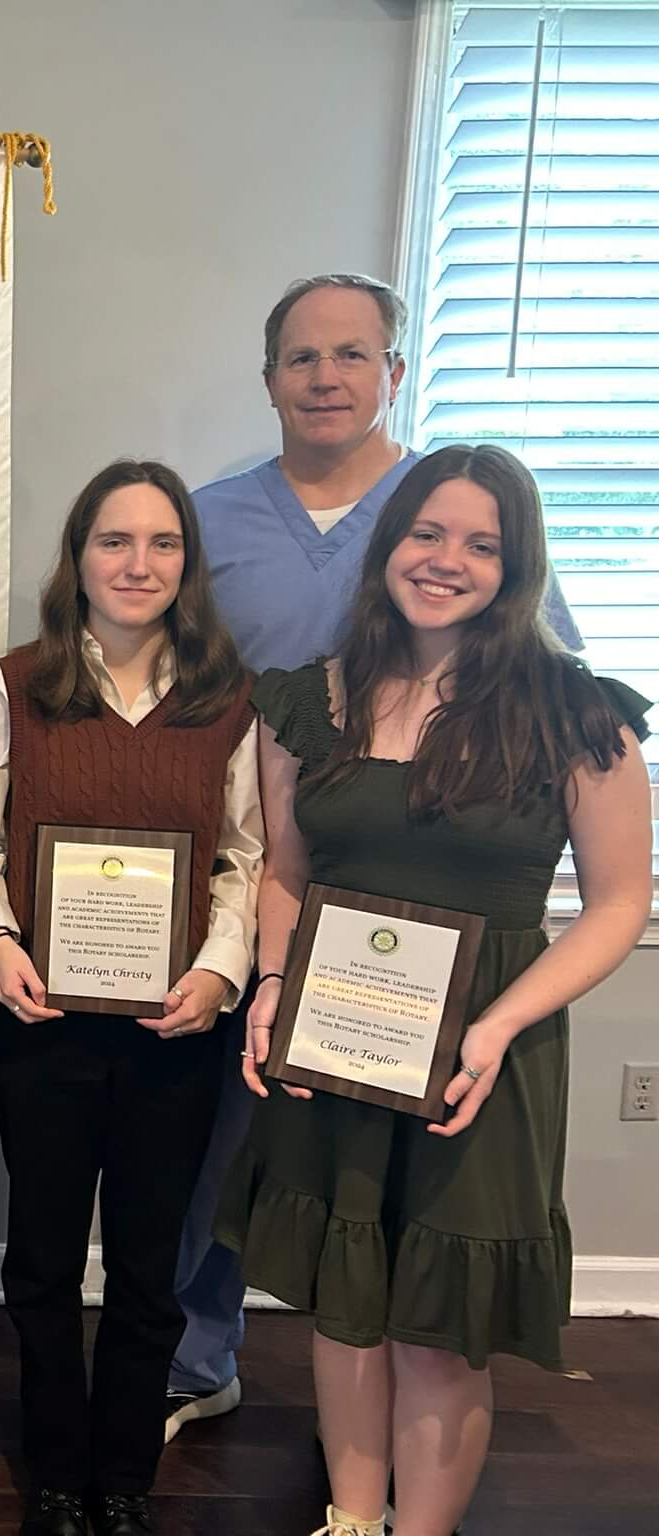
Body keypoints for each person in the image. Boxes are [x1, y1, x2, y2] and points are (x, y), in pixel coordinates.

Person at [170, 273, 583, 1440]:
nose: (325, 377)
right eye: (301, 357)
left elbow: (551, 691)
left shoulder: (451, 505)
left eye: (351, 355)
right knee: (231, 1141)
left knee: (403, 1185)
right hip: (269, 879)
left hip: (433, 904)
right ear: (267, 380)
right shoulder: (210, 520)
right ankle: (203, 1359)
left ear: (391, 373)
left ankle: (400, 1417)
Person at [214, 445, 650, 1536]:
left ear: (516, 565)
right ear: (387, 543)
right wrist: (271, 985)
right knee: (344, 1302)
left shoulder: (574, 713)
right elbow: (282, 872)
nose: (445, 560)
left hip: (481, 1054)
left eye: (480, 543)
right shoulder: (305, 702)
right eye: (425, 532)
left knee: (435, 1323)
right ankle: (350, 1520)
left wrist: (498, 1025)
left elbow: (614, 903)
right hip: (337, 1034)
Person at [0, 460, 259, 1536]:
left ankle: (124, 1476)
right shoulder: (17, 683)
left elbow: (244, 854)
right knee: (40, 1258)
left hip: (173, 1029)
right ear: (77, 557)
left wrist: (218, 973)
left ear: (185, 562)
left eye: (160, 543)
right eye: (112, 541)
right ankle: (54, 1467)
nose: (136, 564)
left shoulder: (228, 700)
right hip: (39, 1020)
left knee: (149, 1269)